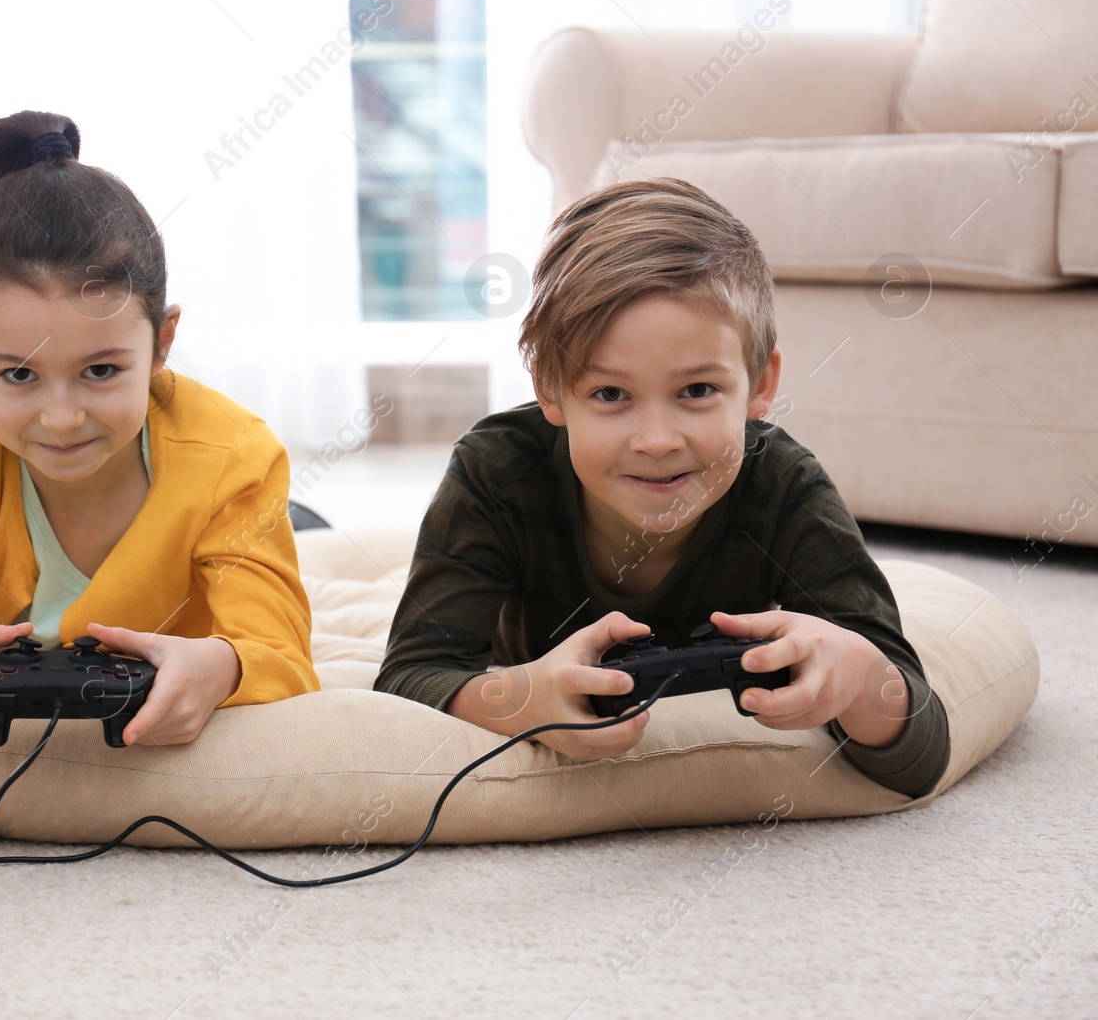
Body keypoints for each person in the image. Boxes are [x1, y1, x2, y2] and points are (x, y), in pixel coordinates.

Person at [375, 176, 949, 799]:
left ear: (760, 384)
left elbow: (920, 754)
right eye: (611, 394)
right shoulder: (497, 472)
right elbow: (410, 678)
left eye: (697, 391)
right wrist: (520, 699)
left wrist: (857, 675)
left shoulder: (782, 486)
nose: (657, 440)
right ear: (550, 389)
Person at [0, 109, 319, 745]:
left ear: (163, 342)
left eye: (102, 371)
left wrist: (224, 666)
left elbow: (284, 660)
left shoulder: (236, 454)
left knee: (297, 527)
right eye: (19, 377)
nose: (61, 420)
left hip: (231, 497)